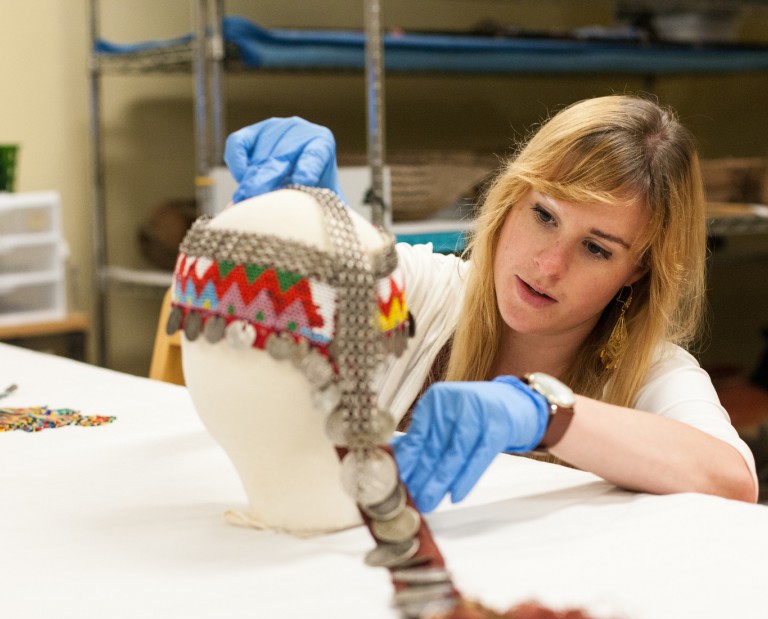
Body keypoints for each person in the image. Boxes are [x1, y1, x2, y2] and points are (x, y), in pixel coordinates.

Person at [223, 95, 759, 510]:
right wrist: (314, 222)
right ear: (510, 199)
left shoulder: (652, 371)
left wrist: (542, 412)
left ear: (636, 270)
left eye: (596, 248)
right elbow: (303, 289)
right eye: (544, 216)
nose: (549, 265)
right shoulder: (427, 293)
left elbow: (732, 481)